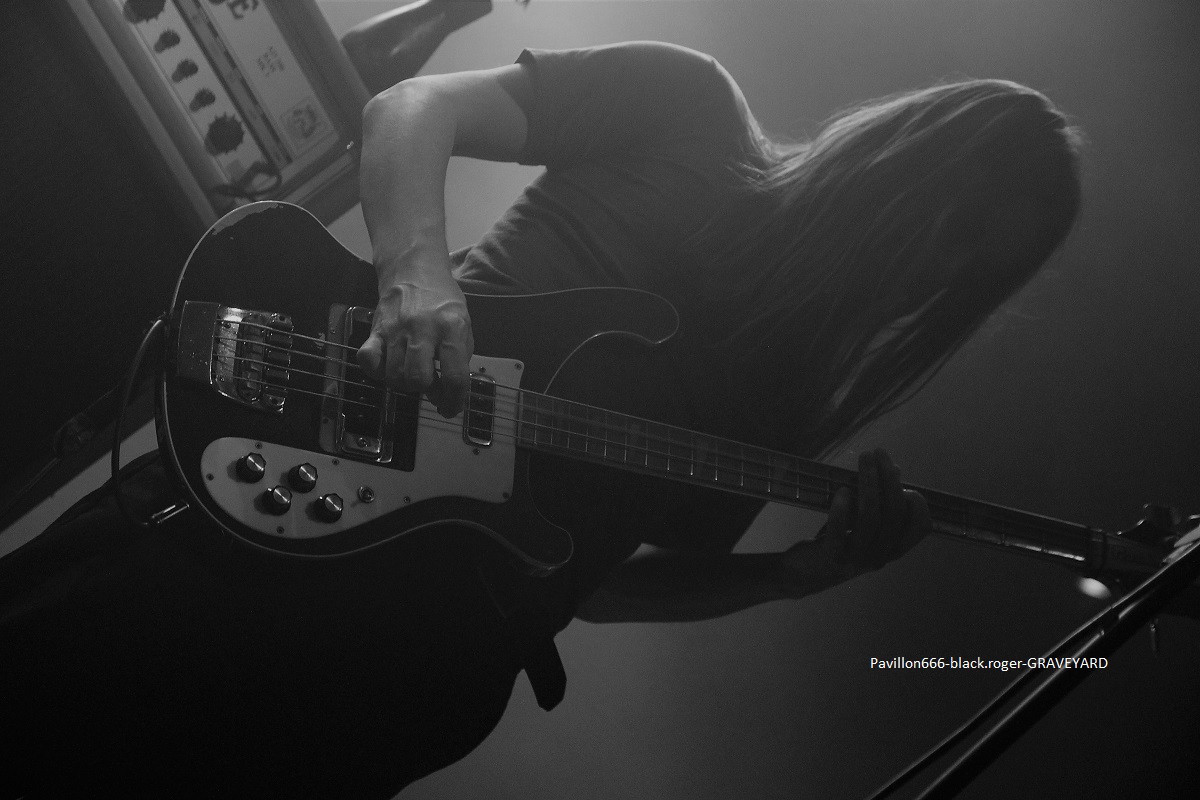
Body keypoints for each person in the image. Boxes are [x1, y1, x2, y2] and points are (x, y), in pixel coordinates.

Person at [0, 40, 1081, 798]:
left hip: (391, 696)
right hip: (258, 541)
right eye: (952, 227)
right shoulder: (692, 107)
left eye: (965, 279)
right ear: (908, 156)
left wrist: (792, 576)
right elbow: (412, 108)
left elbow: (590, 583)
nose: (931, 274)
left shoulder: (784, 398)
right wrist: (417, 276)